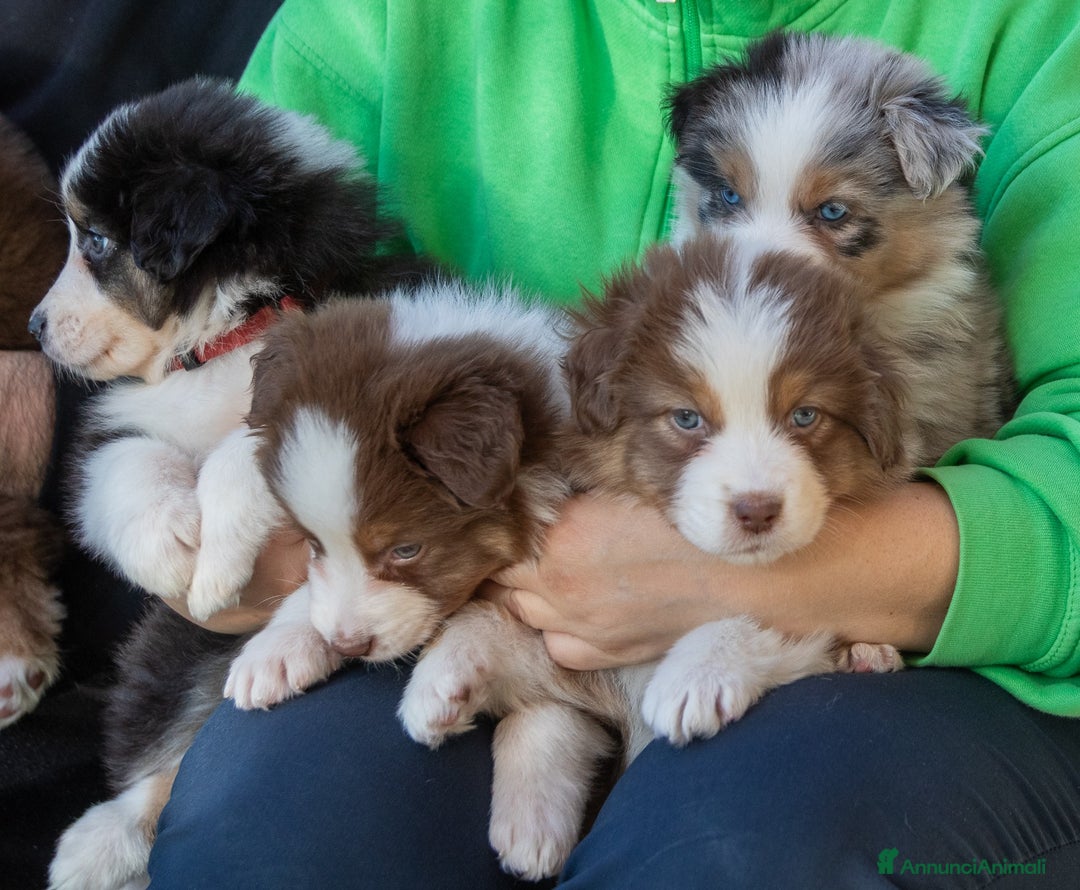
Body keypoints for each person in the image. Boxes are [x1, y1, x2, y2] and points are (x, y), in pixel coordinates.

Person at [148, 1, 1080, 887]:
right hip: (456, 587)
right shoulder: (369, 20)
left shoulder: (1037, 34)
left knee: (737, 849)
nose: (761, 253)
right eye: (728, 203)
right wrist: (257, 521)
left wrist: (768, 582)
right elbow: (220, 339)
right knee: (278, 839)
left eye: (827, 216)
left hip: (943, 669)